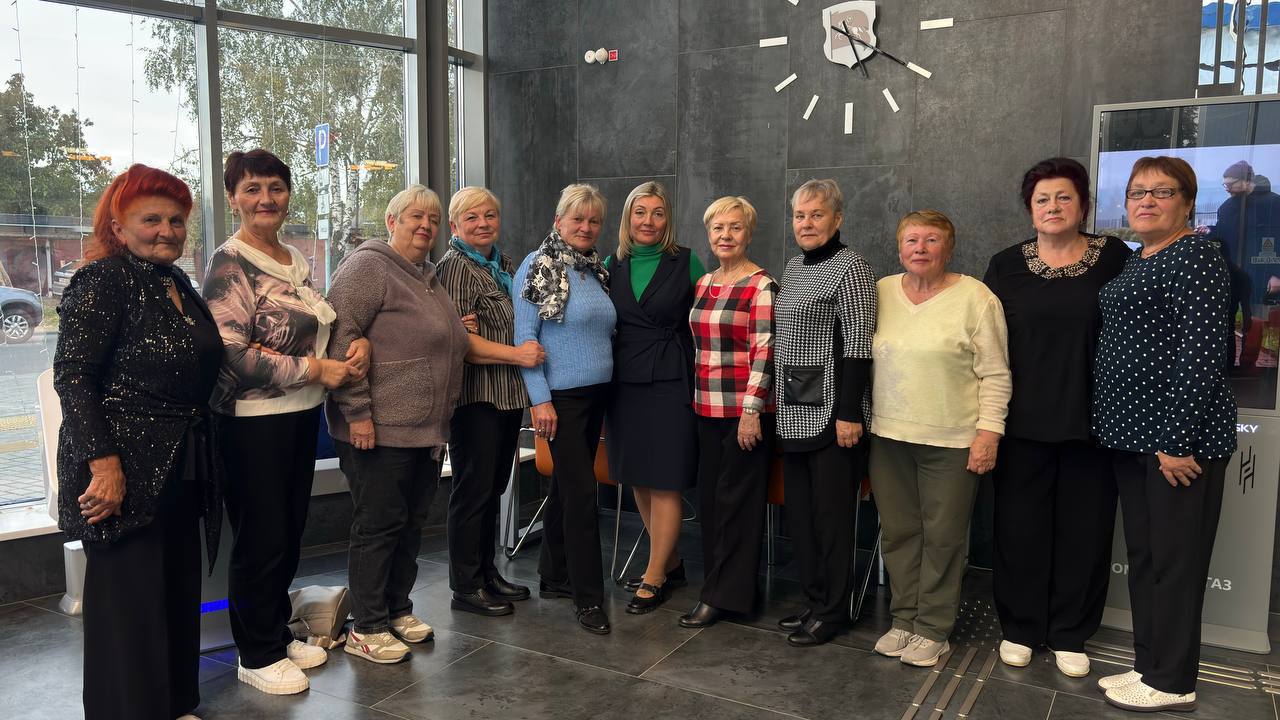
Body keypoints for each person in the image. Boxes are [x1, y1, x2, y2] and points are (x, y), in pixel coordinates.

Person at [55, 164, 221, 720]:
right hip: (123, 467)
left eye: (176, 220)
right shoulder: (103, 280)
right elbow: (74, 376)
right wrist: (104, 465)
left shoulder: (176, 283)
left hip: (179, 461)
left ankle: (172, 703)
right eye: (151, 219)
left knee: (174, 590)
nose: (166, 230)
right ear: (118, 227)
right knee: (130, 605)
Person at [204, 149, 368, 694]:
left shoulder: (292, 257)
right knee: (261, 538)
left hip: (299, 414)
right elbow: (231, 354)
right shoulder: (230, 263)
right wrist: (317, 369)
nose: (265, 199)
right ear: (232, 197)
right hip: (251, 422)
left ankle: (274, 630)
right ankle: (255, 654)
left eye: (275, 187)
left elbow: (314, 326)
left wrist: (353, 348)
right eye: (252, 189)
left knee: (287, 532)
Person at [1093, 156, 1236, 713]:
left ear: (1187, 203)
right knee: (1148, 557)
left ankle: (1173, 681)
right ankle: (1148, 665)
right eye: (1137, 192)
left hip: (1177, 444)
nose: (1146, 201)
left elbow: (1202, 354)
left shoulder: (1197, 255)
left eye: (1162, 191)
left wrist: (1176, 442)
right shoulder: (1137, 258)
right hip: (1132, 438)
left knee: (1176, 563)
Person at [983, 158, 1130, 677]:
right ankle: (1020, 628)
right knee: (1018, 529)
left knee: (1085, 532)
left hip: (1095, 423)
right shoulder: (1005, 266)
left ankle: (1070, 633)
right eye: (1042, 199)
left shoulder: (1115, 258)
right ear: (1030, 209)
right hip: (1022, 424)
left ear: (1083, 205)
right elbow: (987, 348)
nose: (1053, 206)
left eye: (1064, 197)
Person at [325, 185, 470, 663]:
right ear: (391, 222)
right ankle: (366, 627)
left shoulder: (427, 276)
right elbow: (340, 338)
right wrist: (358, 413)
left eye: (433, 219)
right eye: (415, 217)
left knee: (409, 525)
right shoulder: (369, 266)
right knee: (378, 527)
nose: (425, 226)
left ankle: (395, 608)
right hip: (378, 428)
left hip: (424, 430)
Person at [869, 210, 1011, 668]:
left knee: (944, 538)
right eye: (912, 240)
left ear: (948, 249)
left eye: (932, 240)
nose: (921, 248)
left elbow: (995, 374)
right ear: (899, 247)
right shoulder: (881, 292)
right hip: (888, 437)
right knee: (899, 534)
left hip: (952, 441)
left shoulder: (976, 298)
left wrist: (988, 433)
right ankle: (903, 619)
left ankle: (932, 629)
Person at [772, 179, 877, 647]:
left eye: (817, 215)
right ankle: (814, 601)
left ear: (837, 219)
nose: (807, 223)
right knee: (801, 516)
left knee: (832, 520)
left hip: (835, 414)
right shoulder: (794, 266)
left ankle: (834, 611)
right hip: (793, 410)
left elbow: (858, 344)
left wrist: (850, 412)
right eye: (800, 215)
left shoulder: (852, 267)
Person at [514, 183, 617, 634]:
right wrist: (540, 400)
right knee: (581, 494)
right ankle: (588, 598)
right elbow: (525, 339)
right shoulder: (539, 265)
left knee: (565, 488)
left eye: (594, 221)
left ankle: (554, 574)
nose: (586, 227)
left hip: (596, 395)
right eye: (577, 219)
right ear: (559, 221)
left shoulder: (593, 269)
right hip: (562, 400)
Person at [438, 186, 545, 617]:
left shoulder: (503, 264)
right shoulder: (456, 267)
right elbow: (463, 345)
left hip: (506, 396)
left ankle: (486, 574)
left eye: (489, 215)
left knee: (492, 487)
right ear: (454, 225)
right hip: (476, 398)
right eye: (472, 217)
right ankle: (465, 586)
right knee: (472, 491)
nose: (483, 223)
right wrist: (518, 355)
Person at [603, 181, 705, 614]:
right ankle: (671, 562)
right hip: (623, 382)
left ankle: (655, 574)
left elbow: (711, 318)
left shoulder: (687, 261)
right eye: (640, 212)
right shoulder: (611, 264)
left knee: (665, 479)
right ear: (628, 218)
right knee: (639, 478)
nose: (648, 221)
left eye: (657, 213)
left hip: (670, 378)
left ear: (668, 219)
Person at [678, 196, 778, 629]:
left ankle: (723, 598)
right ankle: (725, 589)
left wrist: (752, 411)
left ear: (748, 233)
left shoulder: (761, 285)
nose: (725, 235)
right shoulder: (704, 283)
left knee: (738, 507)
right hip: (706, 407)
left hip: (743, 412)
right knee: (712, 505)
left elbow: (765, 351)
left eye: (735, 227)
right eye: (718, 227)